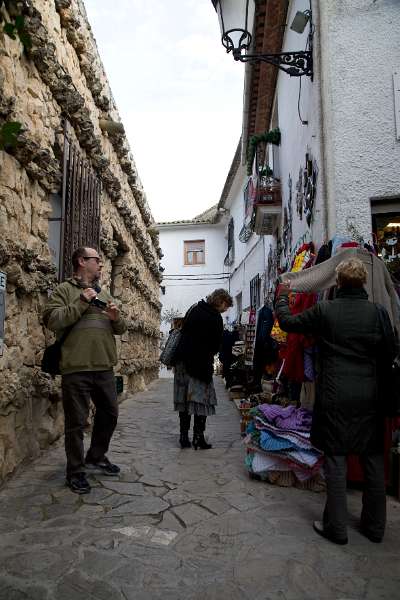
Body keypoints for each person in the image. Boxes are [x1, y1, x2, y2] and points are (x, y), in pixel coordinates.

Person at [275, 258, 397, 545]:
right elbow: (391, 350)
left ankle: (336, 527)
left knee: (336, 459)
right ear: (363, 282)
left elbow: (289, 323)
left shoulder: (325, 310)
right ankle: (375, 527)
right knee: (372, 460)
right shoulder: (378, 313)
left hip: (334, 394)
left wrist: (282, 297)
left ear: (337, 282)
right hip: (370, 395)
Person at [43, 247, 127, 494]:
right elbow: (52, 320)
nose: (101, 265)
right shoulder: (64, 290)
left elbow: (120, 328)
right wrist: (81, 302)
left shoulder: (105, 291)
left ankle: (96, 456)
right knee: (76, 423)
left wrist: (115, 317)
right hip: (76, 368)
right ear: (81, 261)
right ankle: (76, 471)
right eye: (97, 260)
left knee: (110, 414)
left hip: (104, 366)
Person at [173, 289, 233, 450]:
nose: (225, 310)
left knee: (184, 401)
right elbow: (215, 345)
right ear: (221, 301)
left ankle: (183, 438)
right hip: (199, 365)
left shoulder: (194, 308)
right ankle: (198, 438)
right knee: (201, 401)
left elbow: (184, 329)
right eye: (226, 306)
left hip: (182, 362)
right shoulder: (215, 317)